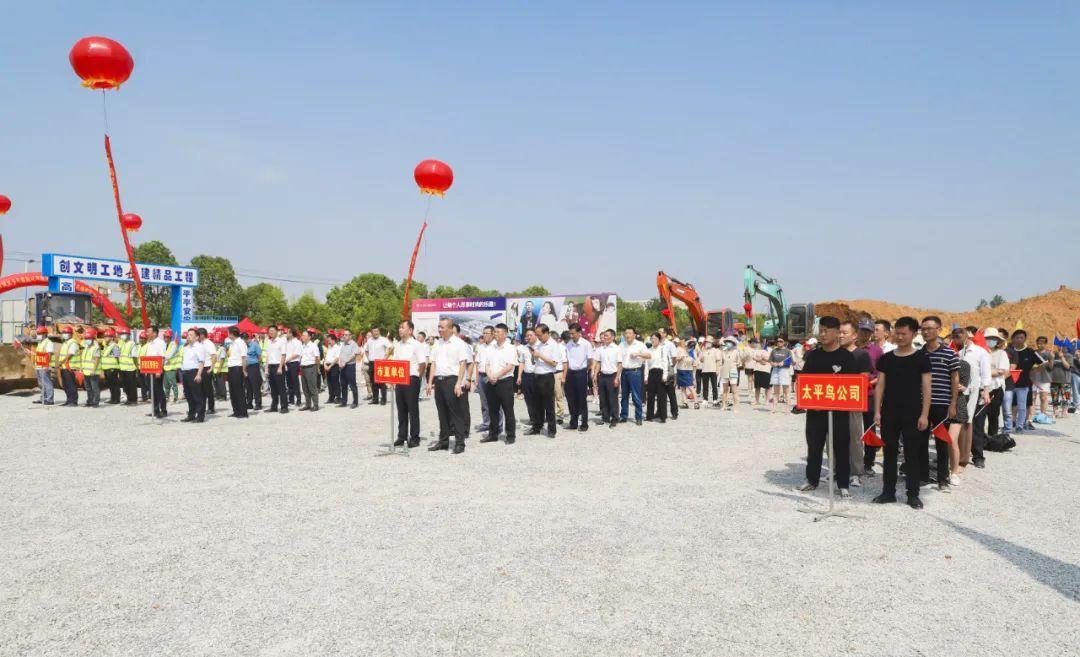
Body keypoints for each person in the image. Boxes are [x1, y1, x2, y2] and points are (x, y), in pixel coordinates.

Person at [872, 316, 932, 509]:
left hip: (913, 413)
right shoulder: (886, 359)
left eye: (903, 333)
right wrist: (877, 412)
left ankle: (913, 494)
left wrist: (924, 414)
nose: (899, 337)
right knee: (889, 452)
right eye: (897, 333)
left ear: (914, 334)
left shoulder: (921, 358)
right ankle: (888, 492)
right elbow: (880, 386)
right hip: (889, 412)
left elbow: (927, 388)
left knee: (912, 454)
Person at [797, 316, 854, 498]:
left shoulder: (847, 357)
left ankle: (843, 483)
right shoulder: (813, 356)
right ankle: (812, 480)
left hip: (839, 413)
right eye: (820, 331)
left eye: (826, 331)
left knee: (842, 447)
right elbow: (804, 382)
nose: (822, 334)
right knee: (814, 446)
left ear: (837, 333)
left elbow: (852, 385)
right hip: (815, 412)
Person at [918, 316, 960, 490]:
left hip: (942, 404)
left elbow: (955, 380)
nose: (926, 332)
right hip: (921, 405)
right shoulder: (919, 353)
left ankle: (943, 479)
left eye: (929, 328)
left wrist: (953, 404)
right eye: (923, 329)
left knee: (942, 443)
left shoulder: (950, 353)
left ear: (939, 329)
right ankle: (922, 476)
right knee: (920, 441)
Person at [427, 318, 469, 454]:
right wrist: (429, 382)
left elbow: (463, 363)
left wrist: (459, 383)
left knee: (456, 413)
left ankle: (460, 443)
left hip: (452, 380)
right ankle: (444, 441)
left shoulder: (459, 344)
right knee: (442, 413)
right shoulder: (437, 344)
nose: (440, 329)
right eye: (439, 327)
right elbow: (433, 363)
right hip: (439, 381)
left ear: (450, 329)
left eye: (442, 327)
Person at [954, 326, 991, 477]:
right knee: (956, 422)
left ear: (967, 336)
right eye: (954, 336)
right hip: (957, 392)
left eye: (959, 335)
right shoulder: (957, 352)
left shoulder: (980, 352)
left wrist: (986, 390)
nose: (957, 338)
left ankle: (971, 458)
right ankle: (954, 457)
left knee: (969, 423)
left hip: (974, 392)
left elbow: (985, 372)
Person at [839, 321, 871, 487]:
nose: (841, 335)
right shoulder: (834, 353)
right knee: (833, 438)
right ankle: (837, 470)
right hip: (834, 403)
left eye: (845, 333)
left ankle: (856, 472)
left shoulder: (861, 355)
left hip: (852, 402)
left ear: (854, 335)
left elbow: (864, 379)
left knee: (855, 438)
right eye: (840, 332)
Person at [481, 323, 518, 444]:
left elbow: (509, 366)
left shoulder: (510, 348)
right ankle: (493, 434)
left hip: (505, 382)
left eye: (498, 332)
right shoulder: (490, 348)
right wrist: (490, 375)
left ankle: (510, 435)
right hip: (491, 381)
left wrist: (496, 376)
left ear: (505, 333)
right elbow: (486, 364)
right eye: (494, 332)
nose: (495, 334)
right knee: (492, 409)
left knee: (508, 410)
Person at [391, 320, 425, 447]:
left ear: (410, 330)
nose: (400, 330)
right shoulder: (398, 345)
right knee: (401, 409)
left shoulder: (416, 344)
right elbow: (395, 362)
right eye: (399, 327)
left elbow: (422, 363)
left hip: (412, 379)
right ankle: (402, 436)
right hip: (400, 379)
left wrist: (418, 377)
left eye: (402, 327)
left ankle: (415, 437)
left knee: (413, 409)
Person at [528, 323, 565, 437]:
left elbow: (554, 363)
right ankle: (537, 427)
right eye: (537, 335)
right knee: (537, 405)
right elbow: (535, 361)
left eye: (539, 335)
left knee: (549, 405)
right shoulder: (539, 345)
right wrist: (533, 356)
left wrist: (540, 356)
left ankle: (551, 429)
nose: (538, 337)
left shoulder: (554, 345)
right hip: (537, 376)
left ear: (546, 333)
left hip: (547, 377)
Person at [1006, 329, 1040, 433]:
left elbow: (1041, 363)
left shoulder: (1030, 352)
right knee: (1007, 407)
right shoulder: (1007, 351)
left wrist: (1034, 371)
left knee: (1022, 407)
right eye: (1017, 337)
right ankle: (1008, 425)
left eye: (1022, 337)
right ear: (1012, 339)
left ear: (1025, 339)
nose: (1020, 339)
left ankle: (1020, 426)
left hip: (1024, 385)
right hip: (1009, 384)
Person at [563, 322, 594, 432]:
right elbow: (566, 360)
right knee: (571, 399)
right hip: (570, 373)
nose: (571, 336)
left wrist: (585, 370)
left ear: (579, 333)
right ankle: (573, 422)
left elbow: (590, 360)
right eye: (570, 333)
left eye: (573, 333)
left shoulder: (586, 344)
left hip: (581, 373)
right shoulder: (568, 344)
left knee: (582, 399)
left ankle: (584, 423)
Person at [619, 327, 649, 425]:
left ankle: (638, 417)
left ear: (634, 335)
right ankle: (623, 416)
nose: (627, 335)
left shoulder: (640, 344)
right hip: (624, 372)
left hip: (635, 372)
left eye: (629, 333)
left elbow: (649, 355)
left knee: (636, 395)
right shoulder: (621, 345)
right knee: (624, 396)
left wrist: (638, 354)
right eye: (626, 333)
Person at [19, 326, 56, 405]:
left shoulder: (48, 342)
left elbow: (48, 354)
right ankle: (43, 399)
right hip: (39, 366)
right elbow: (39, 355)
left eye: (40, 334)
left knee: (47, 383)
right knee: (41, 383)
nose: (38, 335)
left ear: (45, 334)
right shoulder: (41, 343)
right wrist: (31, 353)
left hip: (45, 366)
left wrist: (46, 365)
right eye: (38, 333)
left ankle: (49, 399)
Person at [592, 328, 620, 428]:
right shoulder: (601, 349)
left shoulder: (617, 349)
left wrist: (617, 378)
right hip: (603, 376)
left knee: (613, 399)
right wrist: (595, 374)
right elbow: (599, 362)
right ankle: (605, 417)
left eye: (607, 335)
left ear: (613, 337)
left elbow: (620, 364)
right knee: (603, 398)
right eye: (604, 335)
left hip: (613, 375)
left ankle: (614, 418)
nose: (604, 337)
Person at [180, 328, 207, 423]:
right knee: (189, 395)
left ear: (197, 337)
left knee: (197, 395)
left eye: (191, 335)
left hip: (194, 373)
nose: (188, 336)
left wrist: (199, 374)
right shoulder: (187, 347)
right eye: (188, 335)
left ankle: (200, 416)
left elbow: (201, 362)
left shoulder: (199, 347)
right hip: (185, 373)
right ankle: (191, 415)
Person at [224, 327, 249, 418]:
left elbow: (244, 357)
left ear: (232, 333)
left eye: (228, 333)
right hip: (231, 368)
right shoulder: (232, 343)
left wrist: (244, 370)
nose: (227, 334)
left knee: (239, 391)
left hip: (237, 368)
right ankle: (236, 411)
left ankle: (243, 412)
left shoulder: (240, 342)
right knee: (232, 391)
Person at [474, 326, 495, 433]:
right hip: (482, 376)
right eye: (484, 333)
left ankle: (497, 425)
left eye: (487, 333)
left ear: (493, 334)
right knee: (484, 402)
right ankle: (486, 423)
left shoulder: (496, 346)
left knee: (495, 402)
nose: (485, 335)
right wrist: (476, 379)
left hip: (492, 376)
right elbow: (477, 363)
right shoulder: (481, 347)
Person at [517, 328, 539, 428]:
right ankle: (532, 418)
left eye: (530, 335)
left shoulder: (541, 346)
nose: (528, 337)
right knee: (528, 398)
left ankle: (540, 418)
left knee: (538, 398)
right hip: (527, 375)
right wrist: (519, 376)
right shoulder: (524, 348)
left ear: (535, 335)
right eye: (527, 336)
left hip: (538, 375)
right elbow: (522, 362)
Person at [264, 325, 288, 413]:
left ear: (277, 331)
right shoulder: (268, 342)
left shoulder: (281, 341)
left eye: (273, 330)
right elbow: (267, 357)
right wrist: (266, 369)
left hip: (278, 366)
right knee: (273, 388)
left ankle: (284, 407)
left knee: (281, 388)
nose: (271, 332)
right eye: (269, 331)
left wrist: (280, 367)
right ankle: (274, 406)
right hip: (271, 366)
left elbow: (283, 355)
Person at [145, 326, 168, 418]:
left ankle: (163, 410)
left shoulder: (160, 343)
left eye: (148, 332)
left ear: (154, 333)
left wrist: (159, 370)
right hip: (150, 370)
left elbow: (162, 357)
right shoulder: (150, 343)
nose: (147, 333)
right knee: (152, 391)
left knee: (159, 391)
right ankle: (155, 410)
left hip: (157, 371)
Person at [365, 326, 390, 405]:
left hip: (380, 363)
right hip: (371, 363)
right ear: (371, 332)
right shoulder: (369, 340)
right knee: (373, 381)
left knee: (381, 382)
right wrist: (369, 359)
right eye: (373, 331)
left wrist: (385, 357)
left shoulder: (383, 340)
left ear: (379, 331)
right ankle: (375, 399)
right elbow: (366, 351)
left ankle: (383, 399)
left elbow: (391, 347)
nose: (375, 333)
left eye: (377, 331)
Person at [767, 337, 793, 414]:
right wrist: (773, 364)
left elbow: (791, 361)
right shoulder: (773, 351)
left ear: (784, 342)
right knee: (776, 391)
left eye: (781, 341)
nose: (779, 342)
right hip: (775, 370)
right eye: (778, 341)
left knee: (786, 391)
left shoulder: (787, 351)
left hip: (784, 370)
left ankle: (787, 409)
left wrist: (784, 363)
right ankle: (774, 408)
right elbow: (770, 361)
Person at [296, 330, 320, 412]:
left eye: (304, 335)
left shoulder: (313, 346)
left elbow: (317, 357)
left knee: (312, 387)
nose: (302, 337)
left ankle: (316, 405)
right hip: (303, 367)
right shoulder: (302, 346)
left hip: (311, 367)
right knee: (305, 387)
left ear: (309, 337)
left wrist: (317, 368)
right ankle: (308, 404)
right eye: (302, 335)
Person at [1030, 336, 1053, 419]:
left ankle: (1042, 414)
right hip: (1033, 378)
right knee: (1032, 397)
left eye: (1042, 343)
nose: (1039, 345)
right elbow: (1029, 365)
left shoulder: (1049, 353)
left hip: (1045, 378)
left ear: (1045, 344)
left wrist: (1051, 360)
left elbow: (1051, 368)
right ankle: (1031, 415)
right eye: (1038, 343)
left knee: (1043, 397)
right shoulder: (1033, 353)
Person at [57, 326, 81, 406]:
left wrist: (61, 362)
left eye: (66, 333)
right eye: (64, 333)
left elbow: (70, 354)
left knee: (71, 385)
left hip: (70, 367)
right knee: (66, 385)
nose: (65, 334)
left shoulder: (73, 342)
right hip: (64, 367)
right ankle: (68, 400)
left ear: (71, 334)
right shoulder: (65, 343)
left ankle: (73, 401)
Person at [337, 330, 360, 408]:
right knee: (343, 384)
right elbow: (340, 354)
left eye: (346, 335)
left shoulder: (354, 344)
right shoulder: (343, 344)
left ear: (350, 336)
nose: (344, 336)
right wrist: (340, 362)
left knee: (352, 385)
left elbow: (354, 355)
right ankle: (344, 401)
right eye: (344, 335)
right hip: (342, 366)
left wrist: (345, 362)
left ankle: (355, 402)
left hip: (350, 366)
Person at [80, 328, 102, 408]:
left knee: (94, 387)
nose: (87, 340)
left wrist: (93, 369)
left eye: (89, 339)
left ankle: (96, 402)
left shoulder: (96, 348)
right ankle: (89, 401)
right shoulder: (86, 348)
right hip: (86, 371)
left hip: (93, 372)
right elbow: (84, 359)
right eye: (86, 339)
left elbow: (97, 359)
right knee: (88, 388)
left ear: (93, 339)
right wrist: (82, 367)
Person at [197, 329, 218, 414]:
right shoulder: (200, 344)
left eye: (198, 334)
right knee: (201, 390)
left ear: (202, 335)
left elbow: (214, 355)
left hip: (207, 368)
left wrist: (211, 368)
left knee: (208, 389)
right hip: (201, 368)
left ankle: (211, 408)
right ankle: (202, 407)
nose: (197, 336)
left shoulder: (209, 343)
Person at [117, 329, 138, 405]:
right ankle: (129, 399)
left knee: (131, 385)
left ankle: (133, 400)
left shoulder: (132, 344)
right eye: (121, 334)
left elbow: (134, 356)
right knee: (125, 385)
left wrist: (136, 367)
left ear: (129, 335)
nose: (122, 335)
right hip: (122, 368)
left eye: (124, 334)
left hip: (131, 368)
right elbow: (118, 354)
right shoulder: (121, 343)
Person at [719, 338, 740, 410]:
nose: (728, 343)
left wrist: (733, 366)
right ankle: (724, 405)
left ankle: (736, 406)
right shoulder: (723, 351)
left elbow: (738, 363)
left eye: (730, 342)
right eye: (727, 342)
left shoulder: (736, 352)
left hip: (733, 371)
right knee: (725, 390)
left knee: (734, 389)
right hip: (725, 371)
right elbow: (721, 362)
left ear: (733, 343)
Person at [162, 330, 181, 404]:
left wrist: (162, 357)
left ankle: (176, 398)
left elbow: (169, 355)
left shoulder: (173, 344)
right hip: (165, 367)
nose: (166, 338)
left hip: (171, 368)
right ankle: (167, 397)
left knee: (173, 384)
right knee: (166, 384)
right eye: (165, 337)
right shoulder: (165, 345)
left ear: (170, 337)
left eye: (167, 337)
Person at [698, 338, 719, 405]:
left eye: (709, 342)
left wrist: (717, 370)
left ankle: (715, 399)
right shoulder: (703, 350)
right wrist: (701, 351)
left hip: (713, 370)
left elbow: (717, 361)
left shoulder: (715, 351)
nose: (707, 343)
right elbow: (701, 360)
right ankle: (705, 399)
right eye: (706, 342)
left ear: (712, 343)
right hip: (705, 370)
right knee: (705, 386)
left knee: (714, 385)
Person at [244, 332, 262, 410]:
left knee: (255, 385)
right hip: (245, 367)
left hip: (253, 366)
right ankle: (249, 403)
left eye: (244, 340)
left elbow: (260, 356)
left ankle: (258, 403)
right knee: (248, 386)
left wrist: (257, 364)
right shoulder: (243, 346)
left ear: (247, 339)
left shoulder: (254, 345)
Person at [322, 332, 341, 405]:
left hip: (334, 366)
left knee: (335, 382)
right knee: (329, 382)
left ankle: (338, 397)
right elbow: (326, 357)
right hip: (328, 365)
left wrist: (330, 366)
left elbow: (337, 358)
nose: (328, 341)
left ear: (333, 340)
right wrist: (325, 365)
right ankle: (331, 397)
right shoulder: (329, 348)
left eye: (329, 340)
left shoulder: (337, 347)